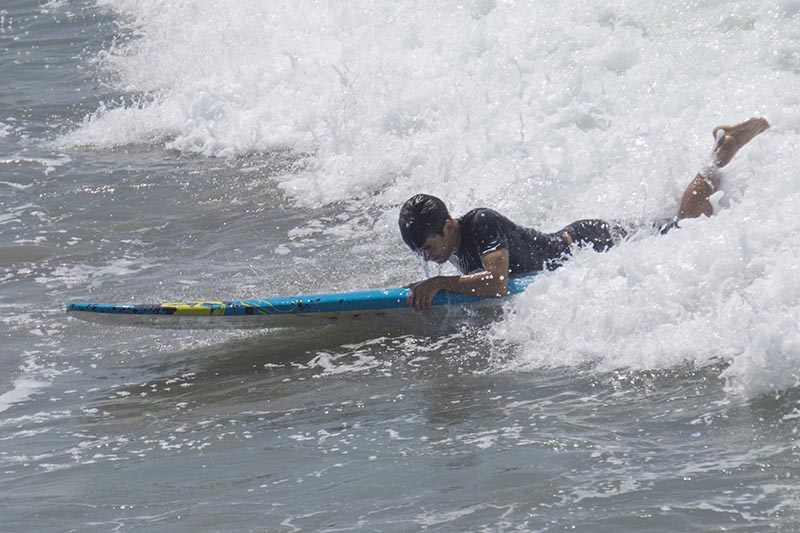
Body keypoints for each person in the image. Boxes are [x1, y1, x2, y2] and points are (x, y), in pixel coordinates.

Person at [398, 117, 770, 310]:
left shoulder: (480, 222)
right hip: (581, 241)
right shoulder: (451, 242)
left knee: (692, 227)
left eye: (429, 247)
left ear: (448, 226)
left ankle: (725, 148)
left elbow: (496, 283)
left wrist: (440, 283)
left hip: (591, 242)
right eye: (421, 254)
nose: (428, 258)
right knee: (684, 226)